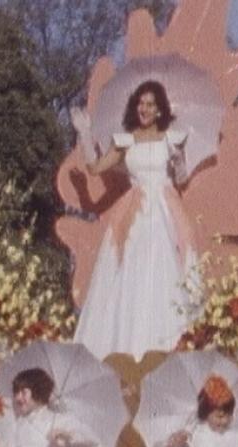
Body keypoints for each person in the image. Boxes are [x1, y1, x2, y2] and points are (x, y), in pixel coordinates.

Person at [71, 80, 200, 360]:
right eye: (141, 103)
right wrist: (85, 133)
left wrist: (178, 160)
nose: (144, 109)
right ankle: (126, 345)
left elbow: (182, 179)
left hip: (165, 213)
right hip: (134, 212)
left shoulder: (172, 139)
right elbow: (95, 168)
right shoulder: (125, 140)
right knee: (128, 273)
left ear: (159, 109)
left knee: (165, 272)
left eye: (150, 104)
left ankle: (165, 343)